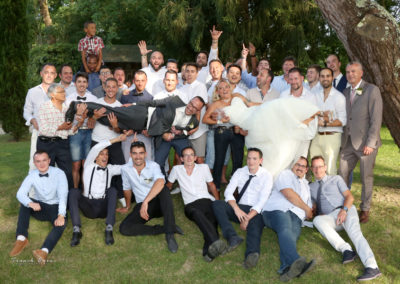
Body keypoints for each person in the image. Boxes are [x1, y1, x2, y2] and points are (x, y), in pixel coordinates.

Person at [310, 156, 382, 281]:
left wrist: (344, 210)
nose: (318, 170)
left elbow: (350, 197)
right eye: (315, 167)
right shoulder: (311, 187)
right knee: (317, 221)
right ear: (311, 169)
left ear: (325, 167)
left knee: (355, 234)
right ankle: (346, 250)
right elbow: (313, 208)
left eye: (320, 166)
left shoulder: (336, 179)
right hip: (331, 217)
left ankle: (372, 267)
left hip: (346, 209)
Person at [213, 148, 273, 269]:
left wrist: (247, 219)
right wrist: (236, 209)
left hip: (256, 211)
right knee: (217, 204)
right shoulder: (240, 172)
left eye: (254, 159)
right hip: (239, 208)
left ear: (260, 160)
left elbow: (262, 201)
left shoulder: (266, 176)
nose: (251, 162)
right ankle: (232, 237)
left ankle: (252, 254)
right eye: (249, 158)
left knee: (255, 226)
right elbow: (228, 193)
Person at [118, 141, 182, 253]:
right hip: (143, 207)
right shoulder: (125, 169)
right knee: (124, 228)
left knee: (164, 189)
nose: (138, 157)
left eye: (141, 153)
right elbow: (127, 188)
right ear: (130, 154)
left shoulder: (153, 166)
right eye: (135, 153)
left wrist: (146, 201)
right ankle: (165, 228)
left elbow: (160, 181)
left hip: (159, 203)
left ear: (145, 154)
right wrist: (128, 206)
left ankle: (169, 234)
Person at [338, 61, 383, 223]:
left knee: (366, 177)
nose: (350, 74)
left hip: (365, 144)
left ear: (361, 73)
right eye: (348, 71)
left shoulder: (371, 90)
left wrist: (371, 143)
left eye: (354, 71)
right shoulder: (344, 92)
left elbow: (376, 119)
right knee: (341, 174)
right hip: (348, 142)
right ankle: (342, 204)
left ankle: (365, 208)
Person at [167, 146, 227, 261]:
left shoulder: (203, 167)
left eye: (191, 155)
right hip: (191, 205)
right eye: (186, 155)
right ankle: (216, 241)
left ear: (195, 158)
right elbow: (168, 186)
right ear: (181, 158)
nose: (189, 157)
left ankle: (208, 253)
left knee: (211, 222)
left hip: (206, 200)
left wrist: (218, 202)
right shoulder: (176, 170)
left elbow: (212, 185)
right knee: (198, 215)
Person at [9, 150, 68, 266]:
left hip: (54, 207)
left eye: (44, 160)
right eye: (38, 161)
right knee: (25, 203)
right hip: (39, 207)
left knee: (62, 223)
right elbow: (20, 194)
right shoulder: (32, 175)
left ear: (49, 161)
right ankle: (21, 238)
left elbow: (63, 196)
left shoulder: (59, 173)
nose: (41, 164)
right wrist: (30, 203)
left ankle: (44, 251)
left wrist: (61, 215)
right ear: (35, 163)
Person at [262, 157, 316, 281]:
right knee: (285, 229)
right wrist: (307, 209)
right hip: (278, 210)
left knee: (291, 238)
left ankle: (286, 269)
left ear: (307, 170)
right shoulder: (285, 174)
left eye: (303, 166)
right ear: (293, 166)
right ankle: (297, 262)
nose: (300, 168)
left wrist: (310, 209)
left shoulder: (307, 186)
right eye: (298, 164)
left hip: (297, 217)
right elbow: (289, 194)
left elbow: (310, 209)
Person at [68, 134, 127, 247]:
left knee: (113, 190)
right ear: (95, 157)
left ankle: (109, 229)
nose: (105, 156)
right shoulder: (88, 165)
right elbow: (96, 148)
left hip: (103, 208)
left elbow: (127, 168)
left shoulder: (111, 169)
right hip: (88, 206)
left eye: (107, 154)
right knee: (73, 192)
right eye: (102, 154)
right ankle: (76, 230)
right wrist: (117, 139)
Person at [37, 84, 86, 189]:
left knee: (68, 172)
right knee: (46, 172)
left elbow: (69, 131)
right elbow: (43, 129)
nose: (64, 94)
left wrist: (78, 125)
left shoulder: (66, 109)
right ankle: (48, 200)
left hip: (62, 144)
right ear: (52, 95)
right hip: (46, 144)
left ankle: (68, 201)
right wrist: (60, 127)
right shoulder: (44, 107)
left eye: (64, 92)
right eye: (61, 92)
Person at [203, 79, 247, 191]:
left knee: (238, 158)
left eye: (226, 87)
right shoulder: (216, 104)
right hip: (222, 132)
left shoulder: (236, 99)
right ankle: (216, 185)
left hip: (237, 132)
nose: (224, 90)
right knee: (220, 158)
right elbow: (205, 119)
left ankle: (237, 185)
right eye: (221, 88)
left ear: (230, 88)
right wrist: (220, 121)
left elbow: (248, 109)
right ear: (217, 92)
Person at [90, 77, 126, 207]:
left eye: (113, 87)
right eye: (108, 87)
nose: (110, 89)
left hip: (114, 142)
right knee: (98, 169)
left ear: (117, 89)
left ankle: (121, 195)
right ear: (104, 88)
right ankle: (97, 194)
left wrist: (115, 125)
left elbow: (120, 130)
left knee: (120, 167)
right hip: (97, 141)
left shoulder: (120, 107)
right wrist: (95, 117)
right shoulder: (97, 103)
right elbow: (89, 125)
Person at [153, 96, 205, 176]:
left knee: (189, 160)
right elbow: (158, 122)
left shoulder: (194, 122)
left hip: (180, 139)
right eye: (191, 104)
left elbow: (186, 132)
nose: (191, 108)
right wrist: (163, 134)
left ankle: (186, 182)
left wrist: (180, 132)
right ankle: (163, 182)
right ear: (189, 101)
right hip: (165, 136)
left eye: (195, 108)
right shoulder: (173, 105)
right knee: (158, 162)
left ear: (198, 111)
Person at [309, 68, 346, 175]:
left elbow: (342, 120)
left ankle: (331, 192)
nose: (325, 79)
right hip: (316, 136)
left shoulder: (339, 97)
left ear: (332, 78)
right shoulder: (316, 95)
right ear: (319, 78)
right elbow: (312, 113)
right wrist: (321, 114)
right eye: (322, 76)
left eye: (328, 76)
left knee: (330, 169)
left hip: (332, 137)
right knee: (316, 168)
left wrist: (325, 123)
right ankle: (318, 191)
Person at [65, 72, 98, 189]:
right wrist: (77, 115)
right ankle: (75, 190)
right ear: (75, 84)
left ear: (87, 84)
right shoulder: (69, 99)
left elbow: (97, 115)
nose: (82, 84)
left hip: (89, 133)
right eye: (79, 82)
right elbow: (67, 120)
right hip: (75, 134)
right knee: (76, 164)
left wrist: (92, 117)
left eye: (84, 82)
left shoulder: (93, 99)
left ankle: (86, 190)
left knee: (86, 164)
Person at [24, 63, 57, 171]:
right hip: (38, 133)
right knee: (35, 164)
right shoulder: (32, 92)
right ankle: (33, 188)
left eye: (52, 73)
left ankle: (52, 188)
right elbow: (26, 111)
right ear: (41, 74)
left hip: (55, 134)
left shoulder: (60, 91)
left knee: (54, 164)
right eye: (46, 72)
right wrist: (32, 120)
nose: (49, 75)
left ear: (55, 75)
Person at [280, 67, 318, 160]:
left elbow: (313, 117)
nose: (293, 81)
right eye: (291, 79)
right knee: (285, 165)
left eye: (296, 78)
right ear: (288, 80)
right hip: (287, 137)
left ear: (302, 78)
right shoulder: (283, 95)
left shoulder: (310, 97)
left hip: (303, 138)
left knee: (299, 165)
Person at [120, 70, 154, 162]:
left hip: (143, 135)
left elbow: (150, 118)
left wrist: (148, 131)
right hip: (128, 134)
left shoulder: (151, 98)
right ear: (134, 81)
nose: (140, 83)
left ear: (146, 81)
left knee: (147, 162)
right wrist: (124, 129)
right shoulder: (126, 96)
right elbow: (122, 116)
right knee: (127, 163)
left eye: (142, 80)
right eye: (137, 80)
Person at [180, 62, 209, 164]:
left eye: (192, 71)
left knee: (199, 158)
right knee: (184, 157)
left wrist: (195, 127)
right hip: (185, 128)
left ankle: (204, 180)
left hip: (199, 128)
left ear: (197, 74)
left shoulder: (200, 86)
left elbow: (199, 108)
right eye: (187, 71)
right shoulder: (181, 89)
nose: (189, 74)